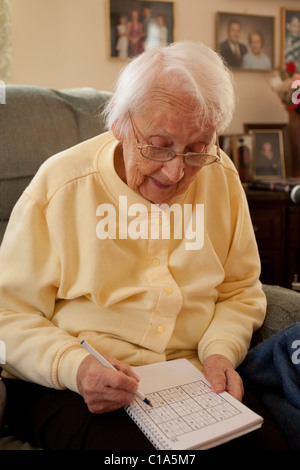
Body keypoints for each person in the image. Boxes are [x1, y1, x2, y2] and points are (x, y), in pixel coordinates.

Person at [0, 41, 269, 450]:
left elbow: (239, 289)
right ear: (121, 125)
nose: (177, 170)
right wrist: (77, 367)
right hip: (72, 385)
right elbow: (8, 313)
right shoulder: (60, 187)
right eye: (159, 145)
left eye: (198, 149)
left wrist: (220, 352)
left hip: (194, 381)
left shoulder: (223, 177)